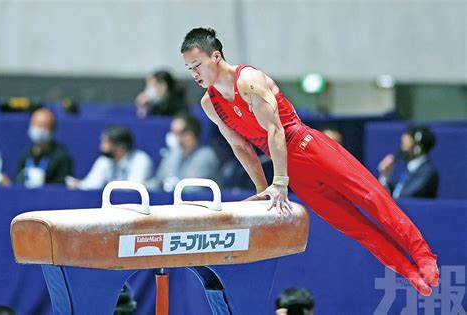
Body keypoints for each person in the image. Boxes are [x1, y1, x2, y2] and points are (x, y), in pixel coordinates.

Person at [180, 28, 438, 296]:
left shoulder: (248, 81)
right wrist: (262, 189)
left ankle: (423, 256)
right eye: (189, 68)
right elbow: (240, 146)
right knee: (354, 226)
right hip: (293, 171)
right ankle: (409, 273)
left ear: (217, 56)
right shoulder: (210, 103)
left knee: (373, 199)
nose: (194, 73)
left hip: (308, 147)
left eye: (197, 65)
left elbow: (276, 131)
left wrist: (279, 182)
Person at [147, 113, 219, 192]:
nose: (173, 136)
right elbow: (158, 182)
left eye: (177, 133)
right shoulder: (172, 154)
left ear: (189, 136)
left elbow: (192, 188)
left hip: (197, 202)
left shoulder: (205, 156)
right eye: (172, 132)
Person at [66, 125, 152, 190]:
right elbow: (92, 184)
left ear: (120, 146)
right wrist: (78, 184)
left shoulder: (141, 160)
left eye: (106, 142)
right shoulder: (104, 160)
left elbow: (133, 189)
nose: (101, 147)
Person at [15, 108, 73, 188]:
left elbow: (64, 188)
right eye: (35, 124)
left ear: (52, 129)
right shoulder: (25, 155)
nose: (38, 129)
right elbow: (16, 184)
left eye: (43, 125)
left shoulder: (62, 157)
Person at [378, 125, 439, 198]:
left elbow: (403, 197)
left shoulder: (427, 173)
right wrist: (385, 176)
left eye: (405, 145)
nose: (402, 149)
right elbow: (396, 194)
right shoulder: (410, 169)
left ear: (417, 148)